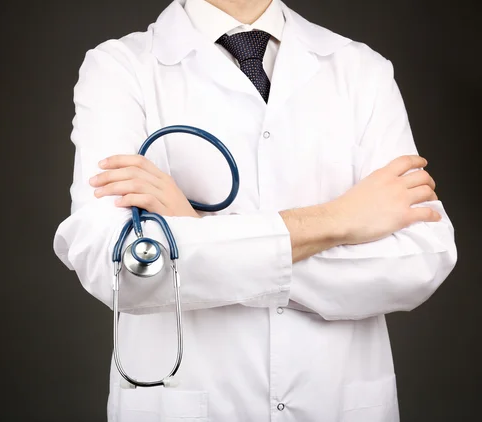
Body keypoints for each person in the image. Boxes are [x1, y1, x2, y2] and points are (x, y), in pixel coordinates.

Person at [53, 0, 458, 420]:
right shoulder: (120, 69)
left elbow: (421, 258)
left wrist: (194, 234)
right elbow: (122, 270)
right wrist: (339, 220)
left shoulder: (361, 70)